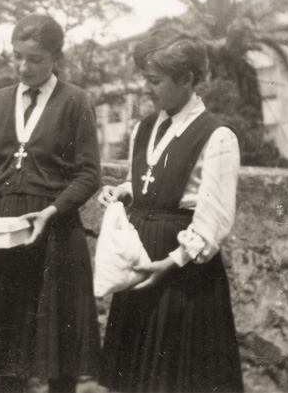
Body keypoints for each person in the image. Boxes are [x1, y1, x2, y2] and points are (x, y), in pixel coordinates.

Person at [0, 14, 102, 393]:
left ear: (55, 57)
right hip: (3, 233)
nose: (23, 66)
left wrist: (52, 210)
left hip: (53, 231)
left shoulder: (75, 101)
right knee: (6, 352)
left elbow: (89, 175)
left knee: (59, 356)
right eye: (17, 56)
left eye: (34, 59)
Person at [98, 27, 244, 393]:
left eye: (155, 81)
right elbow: (149, 184)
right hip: (140, 265)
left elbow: (215, 217)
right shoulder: (145, 127)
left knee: (175, 379)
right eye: (145, 79)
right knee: (133, 378)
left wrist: (175, 260)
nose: (146, 89)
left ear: (188, 79)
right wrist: (123, 192)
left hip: (182, 277)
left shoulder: (216, 135)